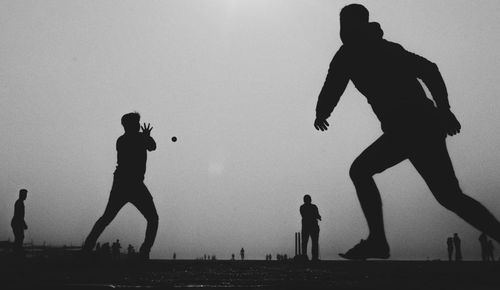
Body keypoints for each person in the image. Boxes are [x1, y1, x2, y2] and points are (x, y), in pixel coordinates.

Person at [314, 3, 500, 260]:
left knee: (363, 171)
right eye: (342, 23)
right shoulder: (349, 55)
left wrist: (445, 110)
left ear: (359, 24)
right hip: (412, 128)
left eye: (348, 23)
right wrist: (322, 111)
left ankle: (378, 241)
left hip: (415, 126)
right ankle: (377, 240)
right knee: (449, 196)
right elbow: (333, 84)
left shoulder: (382, 50)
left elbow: (429, 69)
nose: (344, 29)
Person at [82, 112, 159, 260]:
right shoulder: (138, 138)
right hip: (133, 184)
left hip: (121, 184)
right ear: (131, 125)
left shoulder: (121, 140)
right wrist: (147, 135)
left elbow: (150, 146)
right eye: (136, 123)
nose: (138, 125)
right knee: (153, 218)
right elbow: (152, 146)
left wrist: (145, 136)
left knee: (106, 218)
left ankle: (87, 248)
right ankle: (144, 252)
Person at [300, 194, 321, 261]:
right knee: (314, 242)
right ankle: (314, 257)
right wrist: (317, 217)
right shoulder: (313, 207)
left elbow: (305, 215)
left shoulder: (302, 207)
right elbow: (317, 215)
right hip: (312, 226)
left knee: (305, 242)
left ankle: (305, 256)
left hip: (306, 227)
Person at [11, 189, 28, 256]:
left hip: (17, 222)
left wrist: (23, 223)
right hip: (17, 222)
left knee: (19, 237)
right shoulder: (19, 203)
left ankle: (17, 252)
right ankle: (17, 253)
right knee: (19, 237)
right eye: (25, 195)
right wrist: (24, 224)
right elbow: (19, 215)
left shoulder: (20, 202)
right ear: (22, 195)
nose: (26, 196)